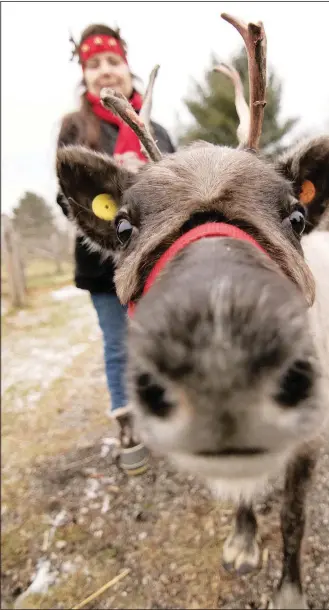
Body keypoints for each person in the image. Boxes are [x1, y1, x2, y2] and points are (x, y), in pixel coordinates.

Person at [56, 24, 176, 475]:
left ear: (128, 69)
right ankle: (128, 423)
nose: (105, 72)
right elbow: (65, 192)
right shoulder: (76, 128)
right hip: (102, 262)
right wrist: (112, 176)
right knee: (119, 344)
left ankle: (163, 411)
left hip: (157, 259)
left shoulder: (158, 128)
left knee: (162, 338)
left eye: (112, 62)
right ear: (85, 76)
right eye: (94, 65)